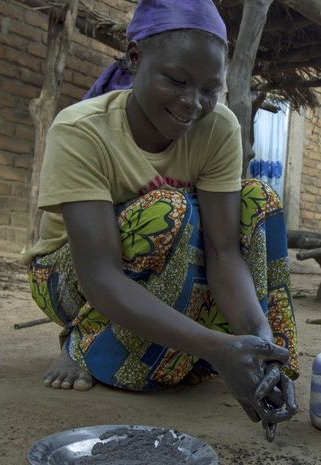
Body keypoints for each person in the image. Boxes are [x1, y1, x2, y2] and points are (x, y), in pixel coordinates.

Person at [23, 0, 298, 433]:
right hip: (70, 275)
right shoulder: (80, 130)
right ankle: (86, 342)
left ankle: (231, 354)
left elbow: (224, 254)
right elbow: (98, 273)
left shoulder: (220, 128)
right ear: (134, 58)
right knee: (169, 210)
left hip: (166, 265)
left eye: (210, 90)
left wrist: (260, 339)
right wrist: (218, 347)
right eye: (176, 80)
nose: (193, 104)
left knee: (258, 200)